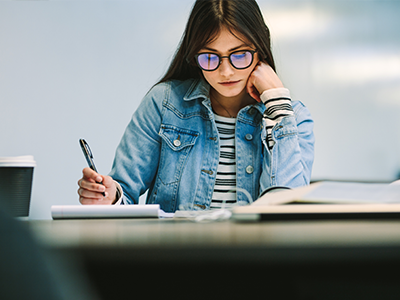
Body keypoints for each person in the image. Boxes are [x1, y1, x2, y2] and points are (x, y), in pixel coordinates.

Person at [77, 0, 315, 212]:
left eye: (239, 54)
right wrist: (109, 196)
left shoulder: (293, 117)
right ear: (194, 55)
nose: (226, 71)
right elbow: (124, 192)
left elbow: (285, 210)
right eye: (210, 57)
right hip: (175, 256)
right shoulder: (164, 103)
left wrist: (276, 101)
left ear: (260, 49)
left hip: (252, 259)